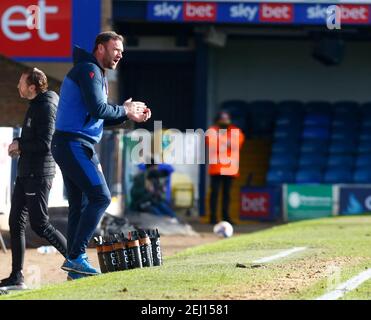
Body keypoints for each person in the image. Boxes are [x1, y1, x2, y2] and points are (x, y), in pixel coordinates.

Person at [51, 31, 151, 280]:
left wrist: (127, 114)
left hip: (74, 143)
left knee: (81, 205)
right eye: (115, 49)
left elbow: (95, 117)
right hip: (73, 144)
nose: (119, 55)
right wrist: (124, 110)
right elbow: (98, 108)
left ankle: (74, 268)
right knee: (101, 197)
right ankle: (76, 256)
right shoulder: (89, 70)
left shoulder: (94, 73)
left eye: (122, 52)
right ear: (100, 48)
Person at [0, 68, 67, 291]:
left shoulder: (47, 106)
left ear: (32, 87)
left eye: (21, 83)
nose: (17, 86)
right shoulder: (35, 105)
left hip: (38, 174)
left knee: (40, 224)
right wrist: (20, 142)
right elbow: (33, 138)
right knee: (15, 222)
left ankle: (77, 261)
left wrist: (21, 145)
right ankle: (17, 276)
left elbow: (46, 143)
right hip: (25, 172)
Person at [206, 111, 245, 225]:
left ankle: (226, 217)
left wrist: (221, 141)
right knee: (214, 193)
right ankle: (213, 218)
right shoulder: (212, 131)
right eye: (222, 119)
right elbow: (212, 144)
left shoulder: (236, 131)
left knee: (227, 194)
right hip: (216, 168)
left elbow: (237, 145)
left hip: (230, 169)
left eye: (227, 119)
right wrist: (227, 143)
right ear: (218, 120)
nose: (225, 121)